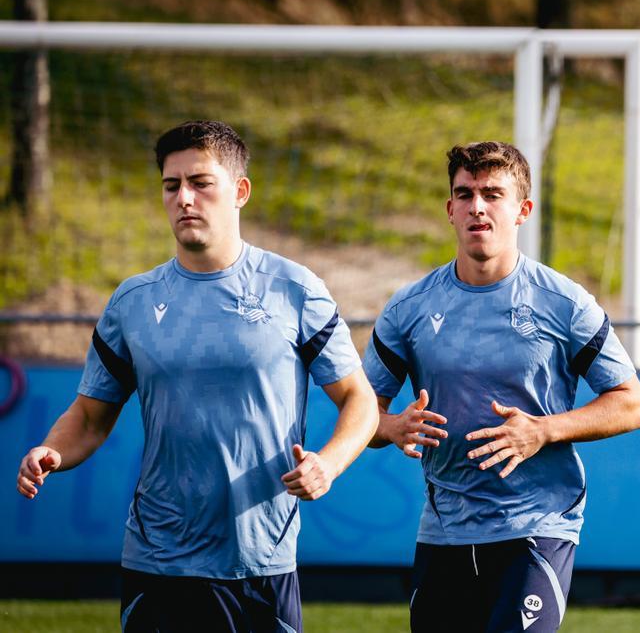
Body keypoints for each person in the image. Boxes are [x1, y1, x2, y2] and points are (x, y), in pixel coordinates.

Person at [15, 120, 379, 632]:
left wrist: (329, 464)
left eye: (201, 182)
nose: (185, 197)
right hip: (158, 559)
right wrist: (51, 451)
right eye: (172, 185)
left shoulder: (295, 290)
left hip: (260, 560)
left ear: (240, 192)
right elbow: (90, 417)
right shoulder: (132, 302)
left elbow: (359, 400)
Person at [363, 141, 640, 632]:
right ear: (449, 208)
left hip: (537, 525)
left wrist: (543, 431)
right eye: (465, 194)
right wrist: (390, 427)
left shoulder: (564, 303)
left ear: (522, 210)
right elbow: (362, 416)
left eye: (493, 194)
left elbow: (632, 405)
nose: (478, 206)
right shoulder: (408, 309)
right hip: (444, 530)